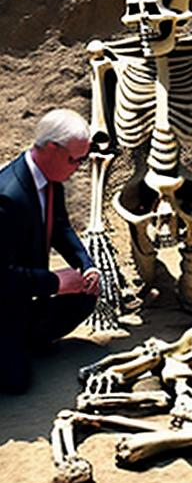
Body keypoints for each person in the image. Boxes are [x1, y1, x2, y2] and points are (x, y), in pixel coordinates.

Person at [0, 108, 100, 395]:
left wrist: (86, 264)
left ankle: (21, 342)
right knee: (16, 384)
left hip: (25, 296)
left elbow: (60, 228)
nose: (79, 167)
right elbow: (1, 275)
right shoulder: (7, 197)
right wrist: (56, 282)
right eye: (76, 160)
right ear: (52, 150)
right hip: (4, 301)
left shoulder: (51, 182)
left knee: (85, 296)